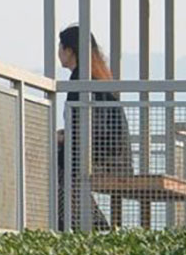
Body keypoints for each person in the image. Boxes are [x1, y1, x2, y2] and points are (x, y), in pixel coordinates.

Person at [56, 26, 132, 230]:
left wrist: (64, 138)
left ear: (69, 50)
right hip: (116, 155)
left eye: (60, 46)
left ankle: (85, 224)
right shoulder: (97, 76)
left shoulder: (81, 78)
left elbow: (88, 125)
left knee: (57, 166)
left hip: (103, 156)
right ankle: (86, 221)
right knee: (62, 167)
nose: (59, 52)